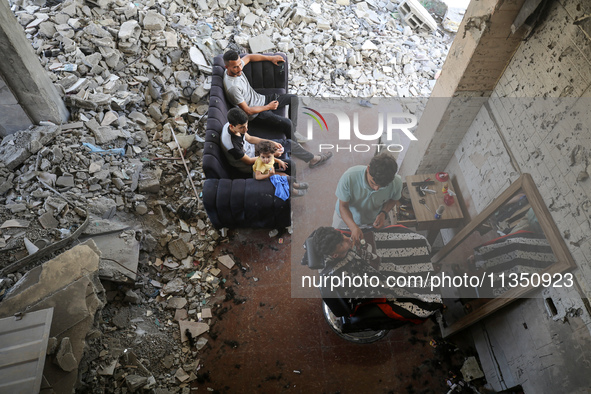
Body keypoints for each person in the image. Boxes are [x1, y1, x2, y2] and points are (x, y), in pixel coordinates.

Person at [311, 226, 442, 321]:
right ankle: (424, 270)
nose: (347, 239)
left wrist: (356, 232)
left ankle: (425, 263)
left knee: (416, 240)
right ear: (334, 255)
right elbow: (371, 285)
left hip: (368, 259)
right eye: (342, 243)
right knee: (420, 295)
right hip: (372, 276)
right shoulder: (344, 276)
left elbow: (355, 244)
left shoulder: (331, 243)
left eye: (342, 236)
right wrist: (376, 265)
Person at [222, 50, 316, 148]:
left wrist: (271, 58)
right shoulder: (232, 87)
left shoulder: (236, 67)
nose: (240, 68)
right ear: (227, 67)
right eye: (235, 67)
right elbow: (248, 111)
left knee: (294, 99)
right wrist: (268, 107)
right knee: (287, 123)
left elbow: (249, 57)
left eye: (239, 64)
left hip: (262, 99)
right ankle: (295, 148)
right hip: (256, 114)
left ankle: (293, 132)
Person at [222, 107, 310, 194]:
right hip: (251, 164)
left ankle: (311, 159)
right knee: (288, 166)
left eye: (246, 125)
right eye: (242, 128)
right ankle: (292, 189)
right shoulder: (232, 145)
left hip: (254, 149)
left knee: (288, 143)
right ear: (231, 126)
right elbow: (248, 161)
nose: (246, 130)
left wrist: (271, 142)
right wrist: (271, 155)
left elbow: (250, 138)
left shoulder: (234, 125)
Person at [333, 153, 402, 244]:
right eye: (373, 183)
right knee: (336, 242)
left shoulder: (396, 182)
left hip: (371, 221)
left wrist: (383, 213)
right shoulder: (349, 177)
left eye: (382, 187)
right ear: (368, 169)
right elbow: (343, 206)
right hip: (345, 219)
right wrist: (353, 227)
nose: (376, 189)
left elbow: (394, 199)